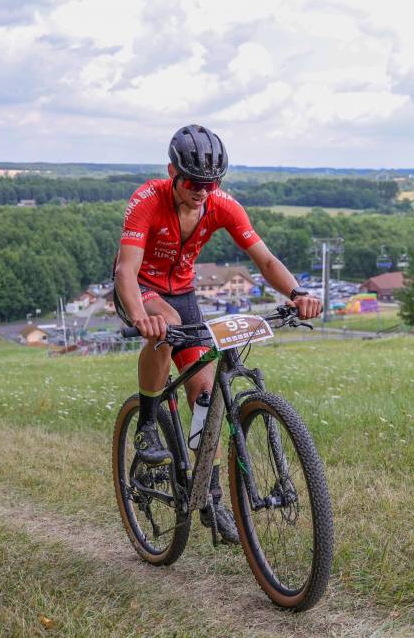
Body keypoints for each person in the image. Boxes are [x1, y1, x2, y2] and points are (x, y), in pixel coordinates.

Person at [113, 124, 322, 544]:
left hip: (183, 291)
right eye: (194, 182)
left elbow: (265, 260)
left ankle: (210, 498)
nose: (202, 191)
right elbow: (125, 270)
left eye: (212, 183)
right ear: (172, 172)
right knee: (166, 324)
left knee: (205, 397)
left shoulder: (222, 205)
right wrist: (139, 316)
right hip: (142, 289)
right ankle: (148, 423)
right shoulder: (147, 199)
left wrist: (297, 293)